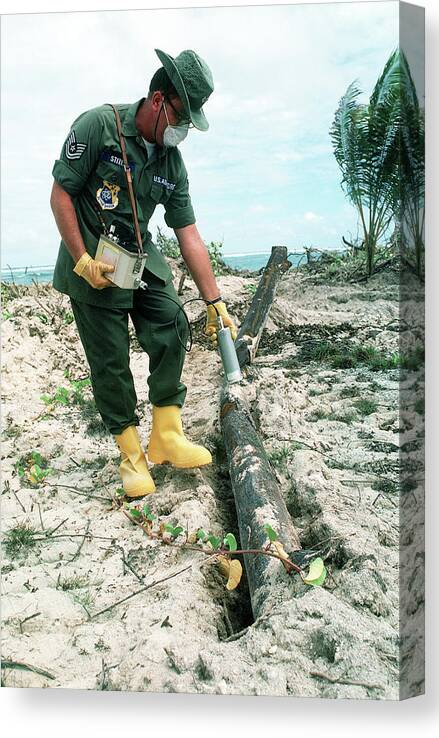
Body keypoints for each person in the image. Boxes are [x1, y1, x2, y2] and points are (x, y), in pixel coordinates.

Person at [50, 48, 237, 500]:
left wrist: (215, 301)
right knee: (111, 360)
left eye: (190, 123)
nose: (183, 130)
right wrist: (81, 257)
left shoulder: (172, 162)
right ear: (158, 99)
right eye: (181, 117)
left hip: (137, 254)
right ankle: (131, 455)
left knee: (172, 318)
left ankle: (166, 435)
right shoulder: (98, 125)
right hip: (92, 258)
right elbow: (61, 194)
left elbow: (188, 232)